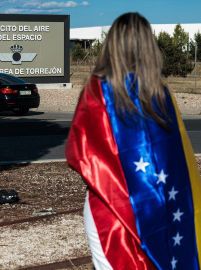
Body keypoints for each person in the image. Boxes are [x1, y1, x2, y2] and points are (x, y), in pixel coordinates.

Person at [66, 13, 201, 270]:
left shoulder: (97, 90)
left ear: (111, 45)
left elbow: (79, 154)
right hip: (162, 206)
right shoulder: (162, 94)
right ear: (149, 47)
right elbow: (178, 161)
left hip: (110, 206)